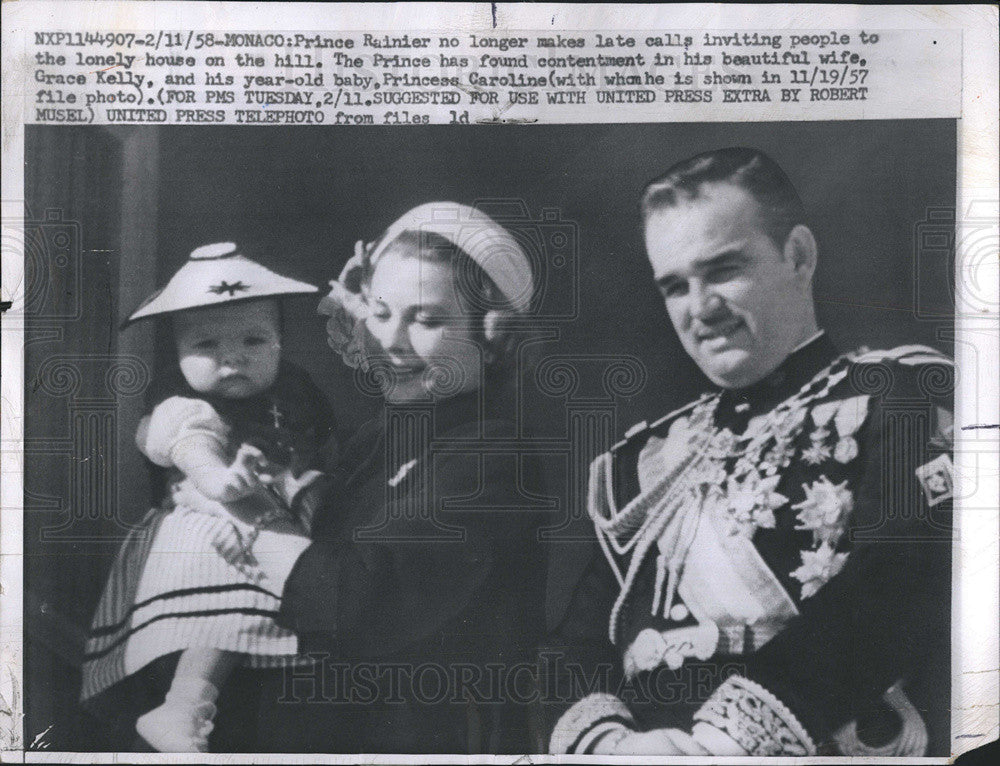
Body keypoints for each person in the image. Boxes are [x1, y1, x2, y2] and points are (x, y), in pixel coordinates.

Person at [542, 148, 953, 757]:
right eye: (676, 286)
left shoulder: (898, 394)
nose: (700, 308)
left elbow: (902, 582)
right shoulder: (640, 465)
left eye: (724, 270)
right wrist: (608, 746)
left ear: (799, 256)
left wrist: (727, 738)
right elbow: (576, 646)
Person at [213, 203, 548, 753]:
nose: (392, 341)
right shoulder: (377, 439)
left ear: (492, 335)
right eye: (382, 311)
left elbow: (361, 601)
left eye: (428, 320)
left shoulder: (492, 456)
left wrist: (251, 521)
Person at [81, 243, 335, 752]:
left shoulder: (295, 392)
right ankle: (183, 706)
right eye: (206, 344)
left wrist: (308, 483)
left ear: (282, 342)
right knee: (220, 618)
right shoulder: (183, 406)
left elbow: (317, 447)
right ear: (175, 350)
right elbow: (193, 451)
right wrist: (222, 481)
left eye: (254, 339)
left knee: (266, 626)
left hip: (268, 523)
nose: (232, 358)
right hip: (207, 527)